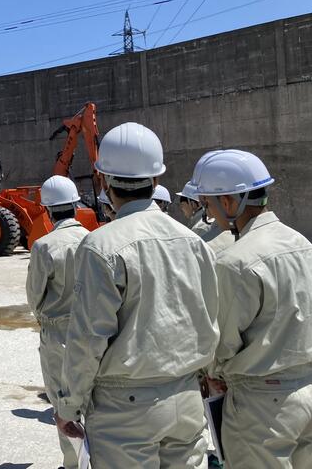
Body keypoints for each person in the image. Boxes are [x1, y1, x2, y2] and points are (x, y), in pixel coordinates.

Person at [54, 122, 219, 469]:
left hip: (125, 410)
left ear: (104, 180)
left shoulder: (101, 246)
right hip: (186, 398)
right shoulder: (194, 242)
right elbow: (209, 317)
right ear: (156, 180)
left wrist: (69, 405)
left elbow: (88, 338)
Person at [196, 149, 312, 468]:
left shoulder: (234, 262)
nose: (210, 214)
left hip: (263, 406)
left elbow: (222, 344)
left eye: (208, 205)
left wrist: (212, 372)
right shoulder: (303, 244)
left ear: (229, 202)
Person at [26, 175, 89, 469]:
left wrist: (46, 320)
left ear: (48, 211)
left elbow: (34, 295)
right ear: (75, 206)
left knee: (64, 406)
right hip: (94, 330)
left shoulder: (44, 246)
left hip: (58, 335)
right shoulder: (93, 239)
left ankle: (73, 464)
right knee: (94, 402)